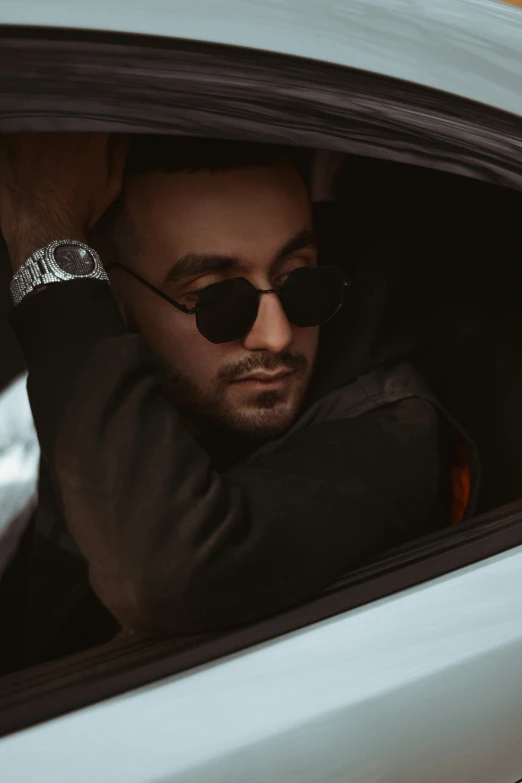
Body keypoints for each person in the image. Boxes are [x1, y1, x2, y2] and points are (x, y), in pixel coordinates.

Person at [0, 133, 476, 664]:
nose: (275, 336)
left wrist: (42, 227)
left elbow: (164, 572)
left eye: (299, 281)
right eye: (217, 299)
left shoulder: (388, 431)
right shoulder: (108, 384)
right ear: (110, 304)